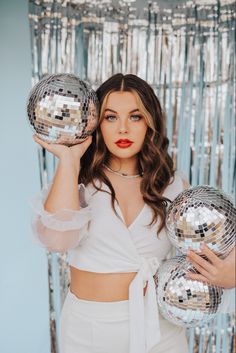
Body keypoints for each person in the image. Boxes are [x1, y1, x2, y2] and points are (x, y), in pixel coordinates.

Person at [31, 73, 235, 353]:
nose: (123, 129)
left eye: (135, 117)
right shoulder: (79, 180)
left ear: (150, 123)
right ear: (96, 123)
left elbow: (223, 239)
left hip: (159, 329)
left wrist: (230, 273)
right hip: (89, 330)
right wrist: (69, 159)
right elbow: (57, 239)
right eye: (111, 117)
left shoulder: (174, 186)